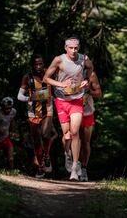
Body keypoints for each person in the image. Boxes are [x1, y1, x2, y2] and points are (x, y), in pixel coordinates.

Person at [43, 36, 93, 181]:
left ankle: (74, 169)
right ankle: (67, 154)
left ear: (79, 48)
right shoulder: (59, 60)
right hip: (61, 100)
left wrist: (86, 80)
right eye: (70, 48)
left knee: (75, 132)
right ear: (65, 48)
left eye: (76, 48)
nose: (73, 50)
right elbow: (46, 78)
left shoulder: (84, 59)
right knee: (66, 135)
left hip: (77, 99)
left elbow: (90, 68)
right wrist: (61, 85)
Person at [17, 54, 57, 178]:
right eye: (36, 64)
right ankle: (40, 167)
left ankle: (46, 156)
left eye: (40, 63)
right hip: (33, 111)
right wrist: (30, 97)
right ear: (32, 65)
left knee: (45, 134)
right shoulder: (27, 77)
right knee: (36, 141)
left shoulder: (48, 74)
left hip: (48, 109)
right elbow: (19, 96)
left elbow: (59, 85)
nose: (38, 66)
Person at [79, 71, 102, 181]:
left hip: (87, 112)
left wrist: (88, 90)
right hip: (73, 111)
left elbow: (99, 93)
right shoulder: (68, 71)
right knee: (73, 139)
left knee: (86, 142)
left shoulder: (91, 75)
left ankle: (84, 168)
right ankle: (75, 166)